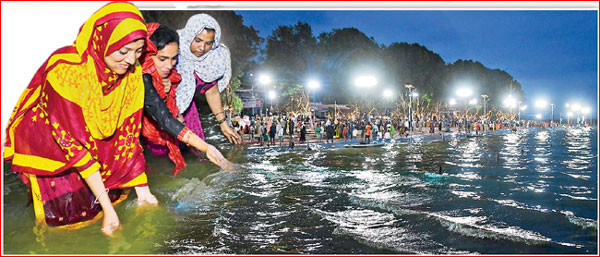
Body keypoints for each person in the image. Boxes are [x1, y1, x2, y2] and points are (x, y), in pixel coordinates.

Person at [4, 2, 153, 236]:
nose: (132, 60)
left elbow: (128, 132)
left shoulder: (131, 74)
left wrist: (143, 190)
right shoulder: (67, 72)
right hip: (48, 140)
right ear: (101, 40)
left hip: (91, 137)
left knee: (97, 205)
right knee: (61, 217)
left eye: (138, 51)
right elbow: (71, 141)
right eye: (123, 51)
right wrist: (107, 209)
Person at [140, 23, 232, 176]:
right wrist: (206, 147)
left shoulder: (170, 77)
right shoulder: (142, 78)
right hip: (139, 145)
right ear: (147, 55)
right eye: (162, 59)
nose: (169, 66)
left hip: (169, 137)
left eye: (174, 59)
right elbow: (164, 118)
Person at [175, 14, 241, 147]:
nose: (202, 48)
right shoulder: (173, 52)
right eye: (198, 40)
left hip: (188, 111)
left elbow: (212, 92)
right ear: (189, 35)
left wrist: (224, 124)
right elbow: (164, 94)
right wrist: (181, 128)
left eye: (208, 43)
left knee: (196, 154)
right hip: (164, 110)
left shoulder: (212, 60)